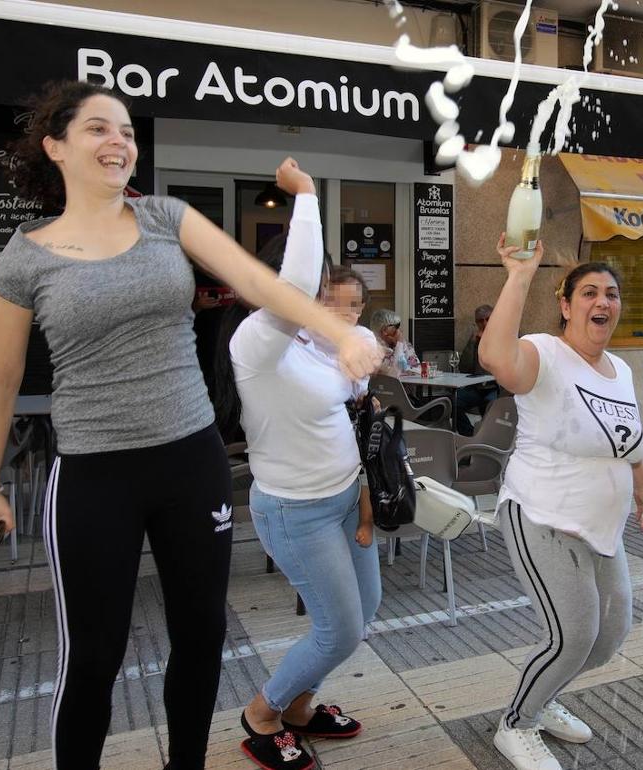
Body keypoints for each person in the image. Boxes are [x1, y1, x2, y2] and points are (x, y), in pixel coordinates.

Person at [0, 81, 380, 770]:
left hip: (191, 462)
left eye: (126, 129)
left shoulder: (165, 217)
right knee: (94, 655)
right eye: (98, 128)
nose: (119, 140)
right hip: (96, 473)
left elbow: (258, 280)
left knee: (201, 635)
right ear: (56, 147)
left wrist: (336, 329)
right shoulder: (27, 255)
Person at [479, 238, 643, 770]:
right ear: (566, 305)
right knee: (571, 636)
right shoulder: (545, 352)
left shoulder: (619, 370)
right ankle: (516, 724)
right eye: (588, 293)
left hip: (602, 527)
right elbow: (495, 357)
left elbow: (626, 437)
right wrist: (519, 275)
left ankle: (544, 696)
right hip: (541, 515)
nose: (602, 302)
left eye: (611, 294)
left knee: (608, 637)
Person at [225, 161, 380, 770]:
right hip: (295, 512)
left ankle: (299, 707)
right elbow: (293, 290)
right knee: (337, 629)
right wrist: (308, 198)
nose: (329, 308)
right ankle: (263, 714)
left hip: (345, 499)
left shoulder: (324, 348)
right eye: (316, 295)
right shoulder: (259, 342)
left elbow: (346, 412)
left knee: (361, 615)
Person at [455, 303, 500, 435]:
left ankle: (488, 439)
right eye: (480, 321)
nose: (485, 323)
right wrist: (473, 343)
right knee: (454, 402)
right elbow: (464, 367)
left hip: (494, 388)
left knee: (491, 406)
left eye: (488, 319)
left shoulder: (503, 336)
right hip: (476, 388)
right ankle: (469, 435)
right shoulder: (475, 339)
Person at [370, 308, 419, 376]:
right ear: (384, 329)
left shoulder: (403, 343)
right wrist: (399, 345)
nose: (399, 330)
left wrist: (400, 345)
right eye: (396, 326)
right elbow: (393, 374)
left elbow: (417, 369)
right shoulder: (373, 348)